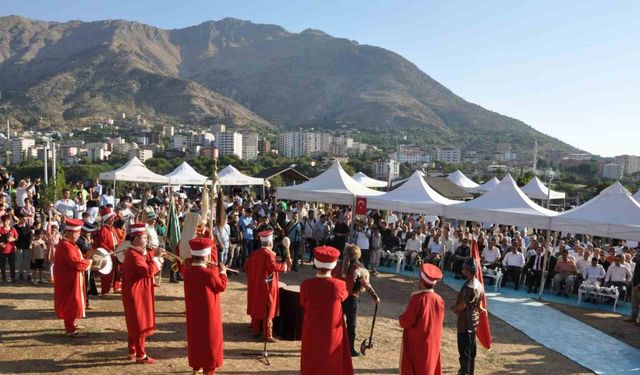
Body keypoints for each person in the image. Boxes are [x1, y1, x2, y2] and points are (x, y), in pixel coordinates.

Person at [300, 245, 353, 375]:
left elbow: (303, 303)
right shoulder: (339, 285)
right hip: (332, 332)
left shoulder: (306, 284)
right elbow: (345, 295)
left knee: (311, 358)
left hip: (311, 329)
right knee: (331, 360)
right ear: (333, 265)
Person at [182, 237, 227, 375]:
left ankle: (197, 367)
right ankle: (208, 370)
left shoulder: (187, 272)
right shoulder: (209, 274)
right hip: (209, 313)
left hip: (194, 312)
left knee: (196, 338)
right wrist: (223, 272)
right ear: (206, 255)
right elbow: (221, 286)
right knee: (210, 341)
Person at [121, 223, 160, 364]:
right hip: (136, 292)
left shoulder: (136, 252)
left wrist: (153, 254)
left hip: (138, 291)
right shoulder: (133, 254)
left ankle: (132, 350)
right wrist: (156, 259)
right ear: (136, 239)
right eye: (144, 237)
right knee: (139, 324)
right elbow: (147, 271)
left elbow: (144, 258)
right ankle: (141, 355)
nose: (147, 240)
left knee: (134, 322)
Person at [332, 244, 380, 357]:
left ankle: (332, 344)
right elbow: (366, 285)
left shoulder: (337, 266)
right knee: (351, 324)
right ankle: (350, 349)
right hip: (351, 298)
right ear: (357, 256)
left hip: (338, 297)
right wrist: (375, 297)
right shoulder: (357, 270)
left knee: (335, 323)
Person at [244, 230, 291, 342]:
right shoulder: (268, 254)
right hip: (267, 285)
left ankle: (255, 330)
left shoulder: (255, 253)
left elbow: (247, 267)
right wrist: (284, 266)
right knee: (268, 307)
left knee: (257, 305)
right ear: (270, 243)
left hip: (256, 284)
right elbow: (273, 267)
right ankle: (267, 334)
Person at [399, 263, 445, 375]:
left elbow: (406, 321)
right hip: (433, 341)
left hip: (417, 342)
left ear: (421, 282)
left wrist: (401, 318)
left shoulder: (417, 299)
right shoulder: (439, 299)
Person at [53, 218, 92, 337]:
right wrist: (89, 262)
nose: (79, 236)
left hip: (71, 277)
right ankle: (70, 329)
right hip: (68, 279)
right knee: (71, 302)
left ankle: (72, 323)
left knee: (74, 301)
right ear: (71, 233)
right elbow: (76, 263)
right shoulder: (66, 246)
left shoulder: (69, 244)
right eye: (78, 233)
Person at [454, 258, 484, 375]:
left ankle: (465, 373)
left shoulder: (469, 286)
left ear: (468, 270)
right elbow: (480, 304)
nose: (462, 269)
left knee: (464, 352)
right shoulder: (479, 284)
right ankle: (469, 372)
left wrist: (455, 309)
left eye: (464, 268)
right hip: (474, 321)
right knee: (471, 351)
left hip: (465, 323)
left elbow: (462, 305)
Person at [97, 207, 121, 295]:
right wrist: (110, 251)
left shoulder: (113, 228)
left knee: (117, 270)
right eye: (111, 218)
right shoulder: (103, 229)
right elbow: (102, 243)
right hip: (108, 254)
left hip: (115, 252)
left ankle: (116, 287)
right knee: (108, 272)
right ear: (107, 219)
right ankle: (105, 291)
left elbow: (118, 239)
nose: (113, 219)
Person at [14, 212, 32, 282]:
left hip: (27, 247)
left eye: (26, 219)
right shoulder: (15, 227)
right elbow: (14, 237)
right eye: (23, 219)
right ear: (19, 218)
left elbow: (30, 236)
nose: (25, 220)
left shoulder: (27, 226)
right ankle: (20, 274)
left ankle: (29, 275)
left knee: (27, 262)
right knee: (20, 262)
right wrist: (15, 246)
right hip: (19, 247)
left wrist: (30, 244)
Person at [0, 214, 18, 284]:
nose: (5, 222)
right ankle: (4, 279)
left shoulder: (13, 229)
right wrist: (0, 244)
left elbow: (17, 238)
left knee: (12, 265)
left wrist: (13, 239)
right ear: (2, 221)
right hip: (2, 251)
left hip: (11, 250)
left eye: (7, 221)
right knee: (2, 266)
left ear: (9, 221)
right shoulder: (0, 229)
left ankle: (13, 278)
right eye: (4, 221)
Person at [625, 252, 640, 325]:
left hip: (638, 287)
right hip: (635, 286)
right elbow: (635, 273)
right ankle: (633, 318)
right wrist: (632, 282)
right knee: (634, 304)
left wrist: (638, 286)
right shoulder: (637, 262)